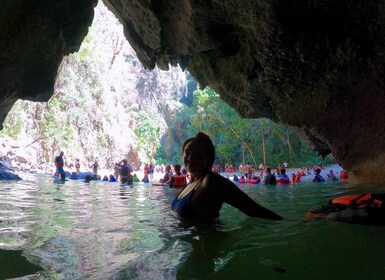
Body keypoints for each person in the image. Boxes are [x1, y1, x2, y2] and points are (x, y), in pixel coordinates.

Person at [171, 132, 282, 220]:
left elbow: (252, 209)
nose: (190, 158)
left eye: (197, 154)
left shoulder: (211, 181)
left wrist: (286, 222)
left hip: (208, 245)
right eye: (187, 153)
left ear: (208, 157)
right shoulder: (192, 182)